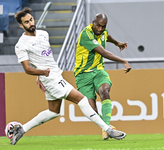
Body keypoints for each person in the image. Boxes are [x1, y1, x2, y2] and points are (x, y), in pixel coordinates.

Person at [11, 8, 127, 145]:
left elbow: (41, 59)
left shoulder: (43, 34)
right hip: (51, 79)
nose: (31, 23)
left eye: (31, 19)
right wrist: (42, 74)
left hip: (54, 75)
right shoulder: (21, 44)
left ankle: (22, 129)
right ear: (21, 25)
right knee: (82, 100)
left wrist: (39, 76)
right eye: (26, 22)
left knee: (53, 112)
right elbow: (27, 69)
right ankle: (107, 129)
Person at [74, 13, 131, 140]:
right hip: (82, 75)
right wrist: (123, 61)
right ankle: (107, 128)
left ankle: (107, 129)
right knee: (91, 110)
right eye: (98, 25)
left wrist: (117, 43)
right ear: (93, 22)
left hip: (99, 71)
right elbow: (103, 52)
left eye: (103, 26)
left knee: (105, 91)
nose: (100, 29)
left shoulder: (103, 32)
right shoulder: (86, 34)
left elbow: (107, 36)